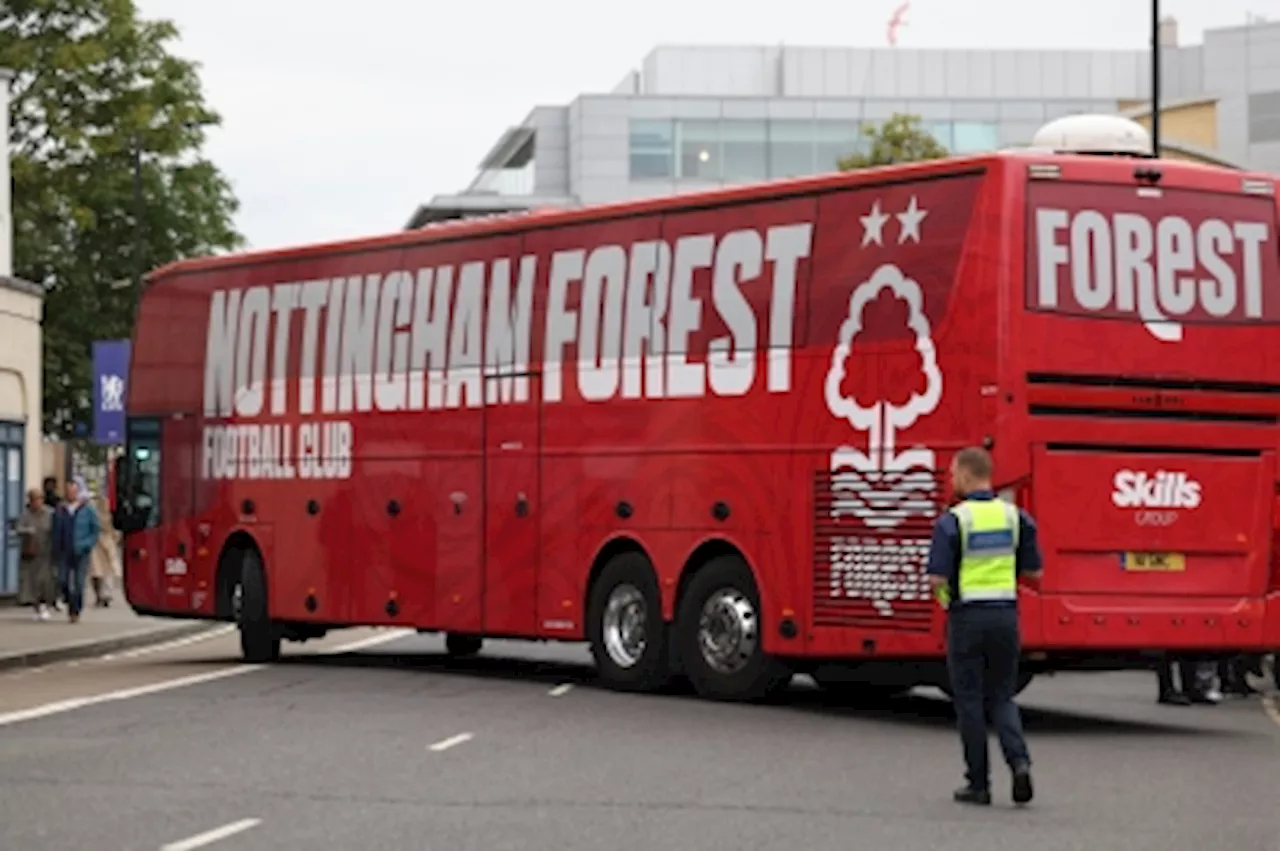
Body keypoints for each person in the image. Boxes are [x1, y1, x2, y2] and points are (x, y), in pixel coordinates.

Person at [927, 446, 1041, 807]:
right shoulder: (1015, 517)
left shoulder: (954, 521)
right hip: (1005, 616)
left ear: (964, 474)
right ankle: (1019, 762)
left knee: (970, 701)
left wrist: (948, 600)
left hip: (967, 619)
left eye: (951, 473)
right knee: (1002, 696)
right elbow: (1035, 572)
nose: (949, 479)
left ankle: (979, 784)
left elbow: (935, 578)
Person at [51, 475, 101, 624]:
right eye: (68, 491)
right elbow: (55, 530)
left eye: (73, 491)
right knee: (62, 581)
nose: (70, 494)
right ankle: (68, 600)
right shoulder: (60, 509)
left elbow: (95, 530)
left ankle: (75, 610)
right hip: (64, 551)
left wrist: (87, 544)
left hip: (81, 551)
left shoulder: (87, 510)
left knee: (79, 584)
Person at [16, 488, 57, 620]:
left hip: (47, 553)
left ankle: (46, 605)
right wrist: (27, 531)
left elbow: (56, 530)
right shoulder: (25, 514)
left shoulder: (50, 514)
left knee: (45, 581)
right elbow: (18, 528)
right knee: (33, 583)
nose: (37, 503)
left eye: (39, 499)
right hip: (31, 554)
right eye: (34, 500)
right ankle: (37, 606)